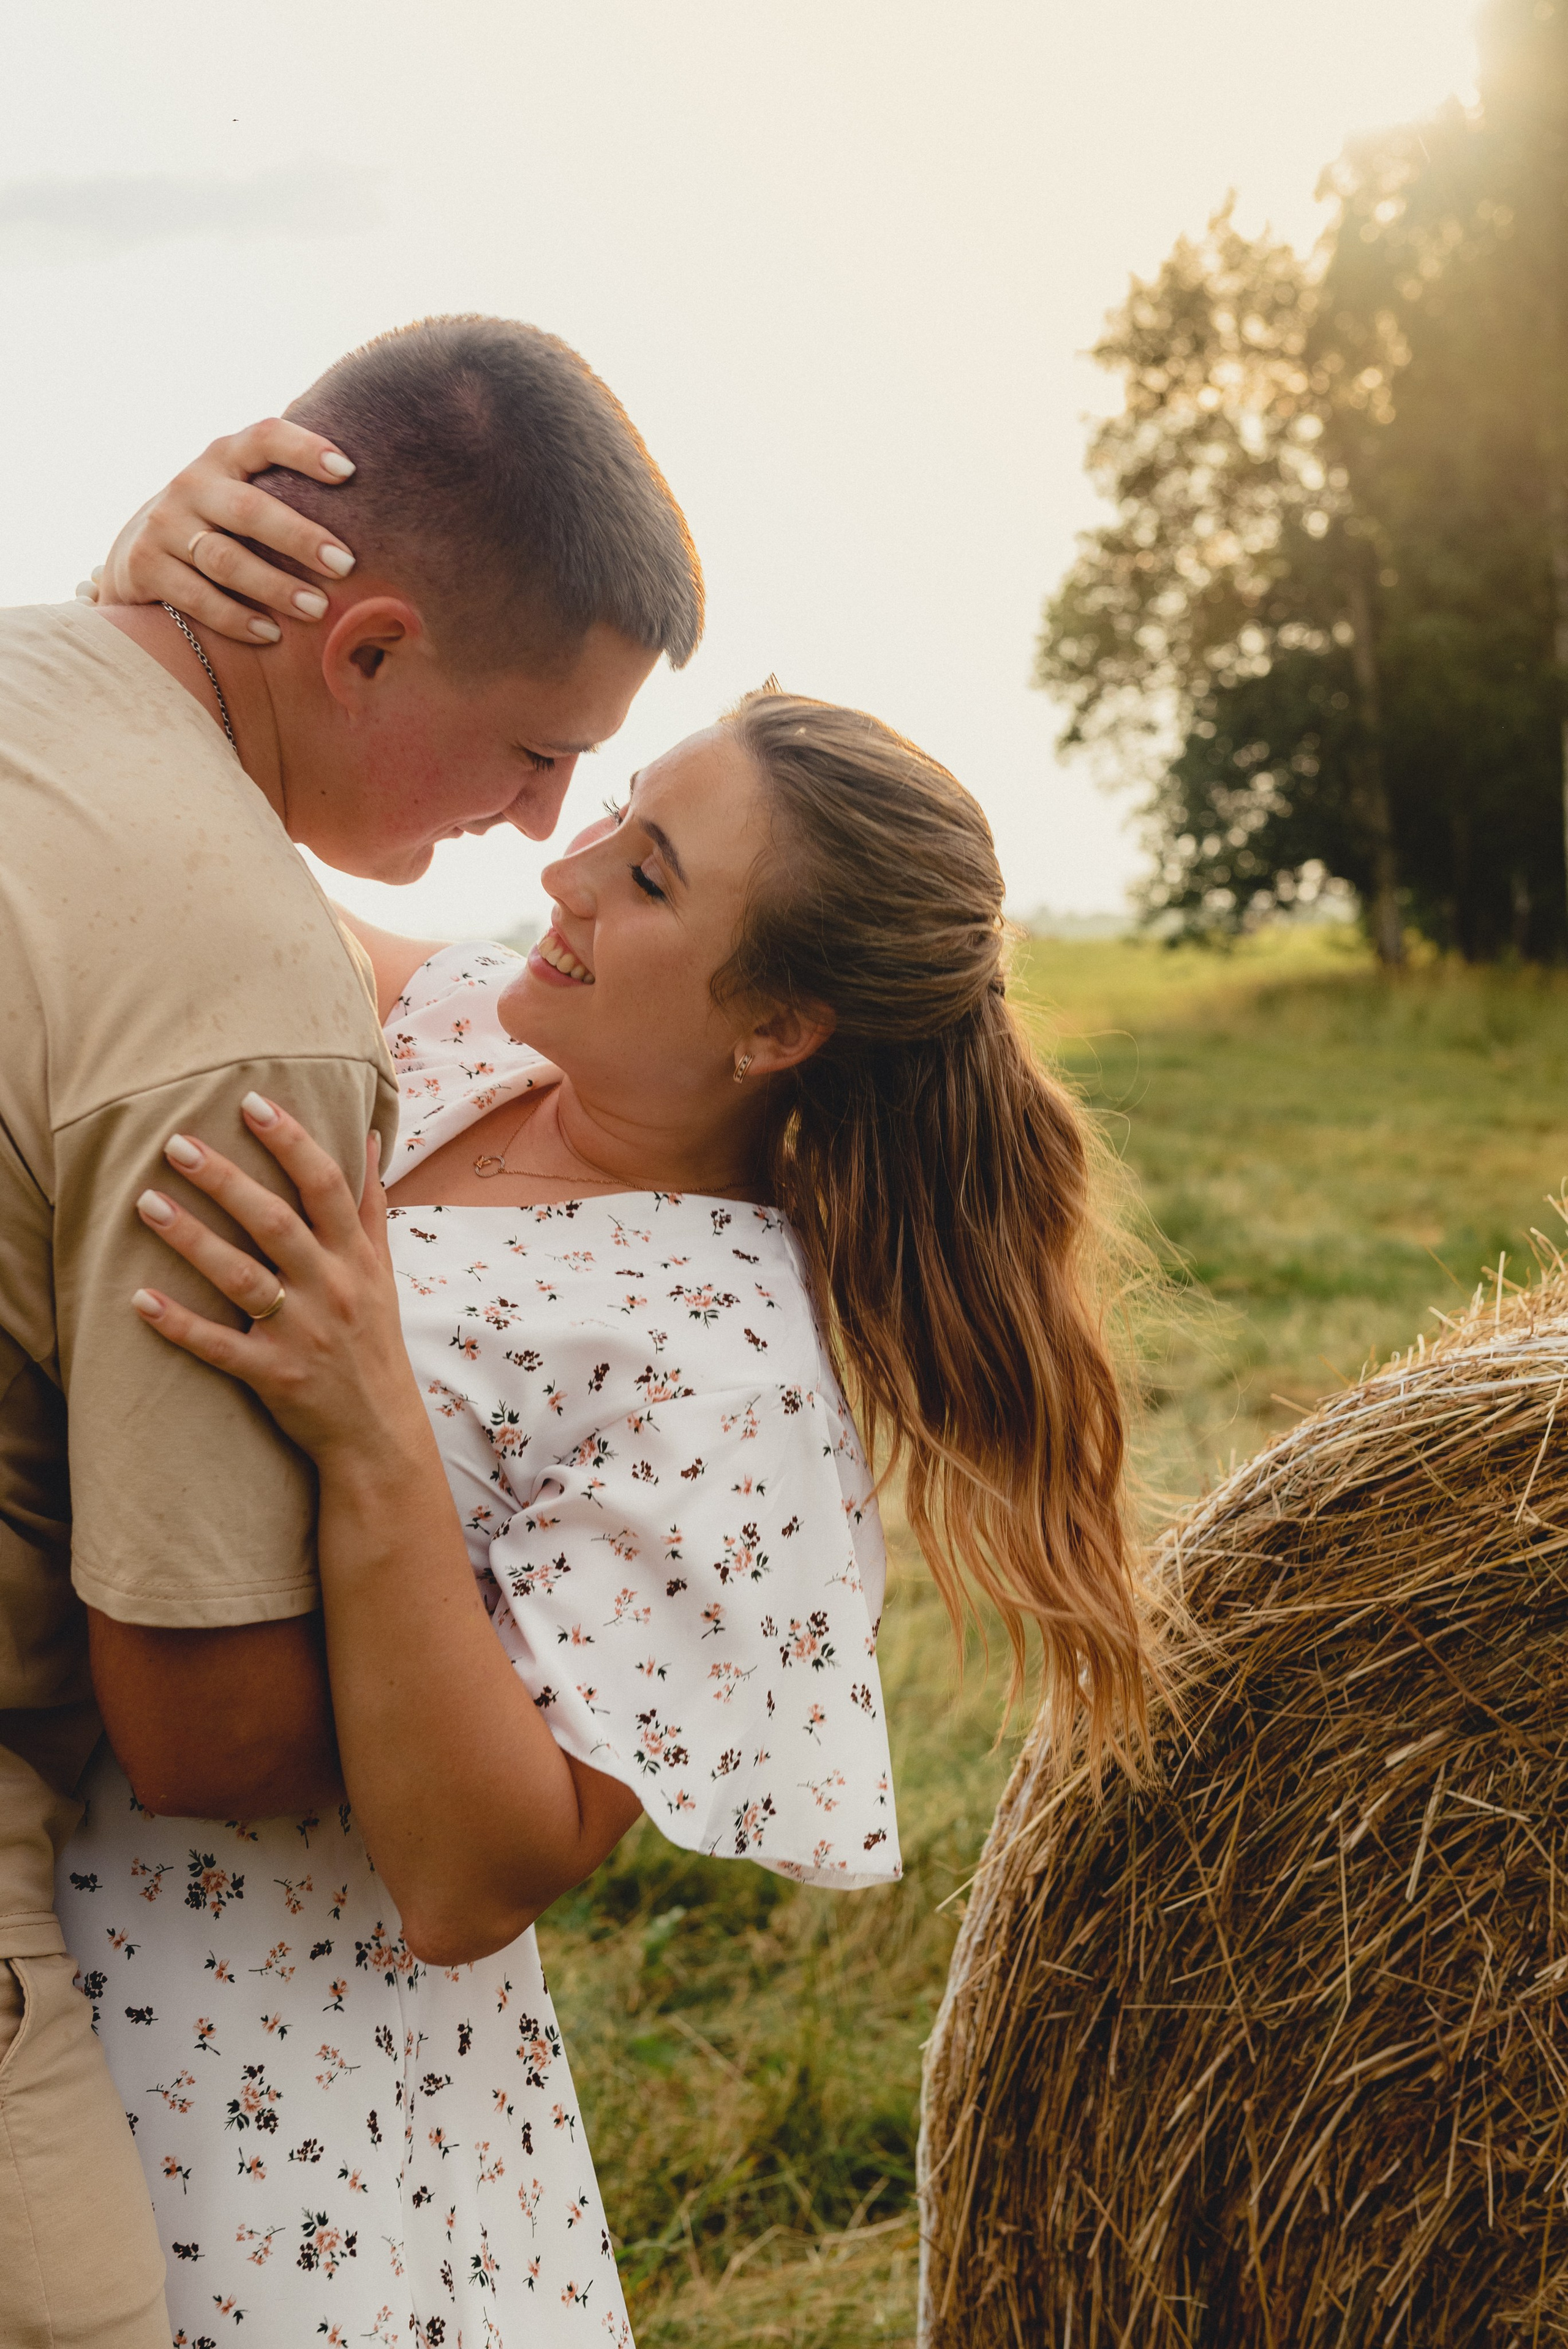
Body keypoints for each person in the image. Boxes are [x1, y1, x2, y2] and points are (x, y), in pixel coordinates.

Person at [56, 583, 1148, 2333]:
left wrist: (372, 1425)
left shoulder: (728, 1368)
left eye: (645, 878)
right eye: (624, 819)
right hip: (67, 1887)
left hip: (271, 2081)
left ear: (776, 1028)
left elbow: (480, 1868)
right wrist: (150, 580)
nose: (563, 870)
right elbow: (211, 875)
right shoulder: (488, 1034)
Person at [1, 315, 701, 2348]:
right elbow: (204, 1725)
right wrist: (539, 1718)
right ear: (366, 645)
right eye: (534, 745)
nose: (543, 821)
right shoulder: (245, 990)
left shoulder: (45, 665)